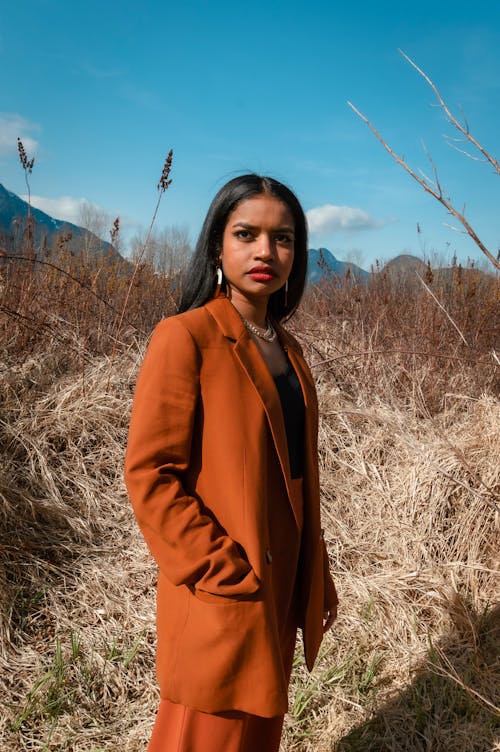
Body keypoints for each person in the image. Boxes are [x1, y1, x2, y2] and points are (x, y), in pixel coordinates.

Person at [124, 174, 338, 752]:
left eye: (284, 238)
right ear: (217, 245)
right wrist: (217, 569)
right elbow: (150, 474)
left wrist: (314, 568)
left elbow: (293, 473)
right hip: (226, 584)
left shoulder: (287, 349)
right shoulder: (184, 337)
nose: (267, 252)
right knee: (203, 736)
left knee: (258, 734)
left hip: (281, 582)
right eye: (247, 234)